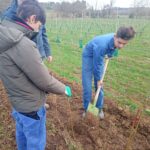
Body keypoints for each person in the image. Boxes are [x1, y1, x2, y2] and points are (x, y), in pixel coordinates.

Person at [0, 2, 72, 150]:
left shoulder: (6, 35)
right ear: (32, 19)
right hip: (31, 107)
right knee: (36, 141)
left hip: (17, 102)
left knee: (21, 133)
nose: (40, 28)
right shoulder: (23, 44)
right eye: (40, 24)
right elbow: (44, 81)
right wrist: (64, 89)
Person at [1, 0, 53, 109]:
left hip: (38, 52)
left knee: (39, 77)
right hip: (20, 55)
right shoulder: (9, 13)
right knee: (26, 81)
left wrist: (48, 52)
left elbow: (43, 33)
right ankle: (29, 105)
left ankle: (40, 102)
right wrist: (64, 89)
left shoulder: (37, 10)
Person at [82, 26, 136, 119]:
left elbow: (112, 47)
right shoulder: (102, 45)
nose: (121, 46)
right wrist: (98, 79)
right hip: (89, 55)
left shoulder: (116, 40)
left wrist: (109, 55)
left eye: (124, 44)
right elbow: (97, 64)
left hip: (99, 54)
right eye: (119, 42)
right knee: (87, 84)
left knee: (100, 85)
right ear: (115, 36)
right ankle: (87, 109)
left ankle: (98, 108)